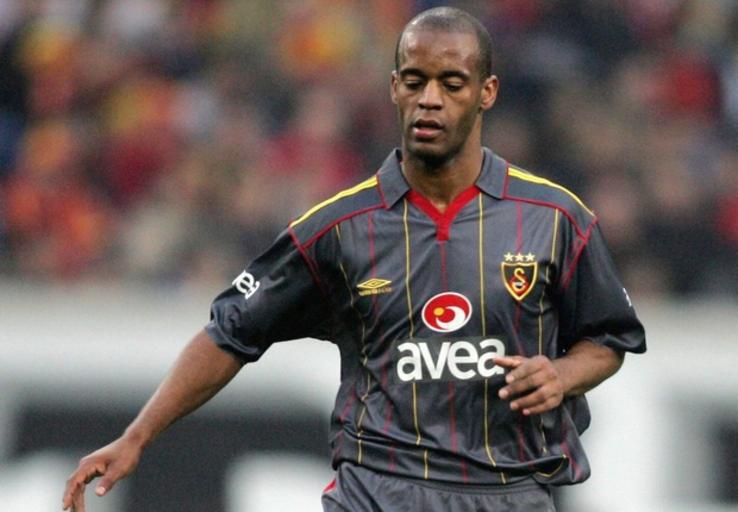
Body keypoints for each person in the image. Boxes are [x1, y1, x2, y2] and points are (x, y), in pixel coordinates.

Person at [63, 6, 646, 511]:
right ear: (394, 87)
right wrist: (137, 436)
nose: (430, 100)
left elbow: (608, 338)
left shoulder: (554, 217)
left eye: (451, 83)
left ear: (486, 92)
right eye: (415, 81)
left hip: (509, 491)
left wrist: (562, 374)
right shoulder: (338, 227)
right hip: (379, 489)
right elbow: (229, 333)